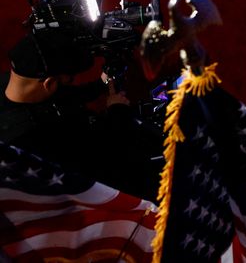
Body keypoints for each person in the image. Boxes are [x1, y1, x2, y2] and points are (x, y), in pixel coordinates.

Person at [0, 30, 164, 202]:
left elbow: (64, 95)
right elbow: (102, 154)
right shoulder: (32, 137)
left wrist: (100, 84)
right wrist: (117, 110)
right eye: (68, 79)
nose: (68, 83)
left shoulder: (15, 82)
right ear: (48, 82)